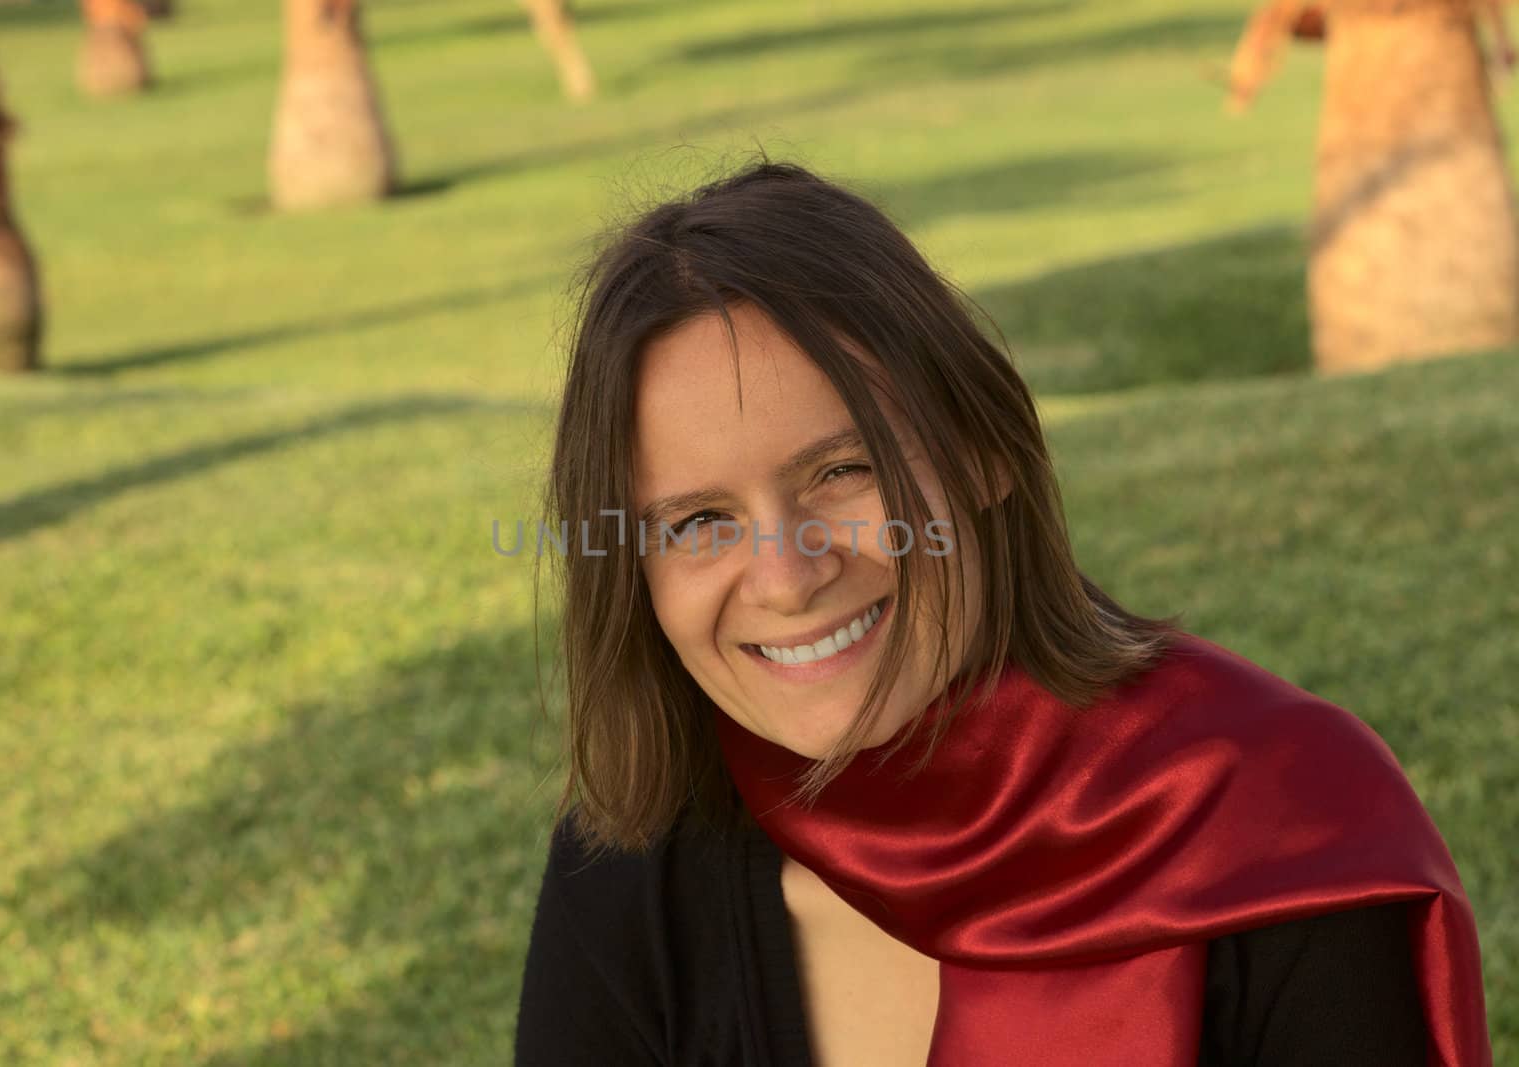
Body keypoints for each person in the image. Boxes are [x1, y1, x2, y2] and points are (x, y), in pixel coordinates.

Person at [512, 159, 1491, 1065]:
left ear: (982, 451)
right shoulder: (633, 859)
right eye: (696, 520)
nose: (785, 575)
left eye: (843, 470)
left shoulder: (1279, 824)